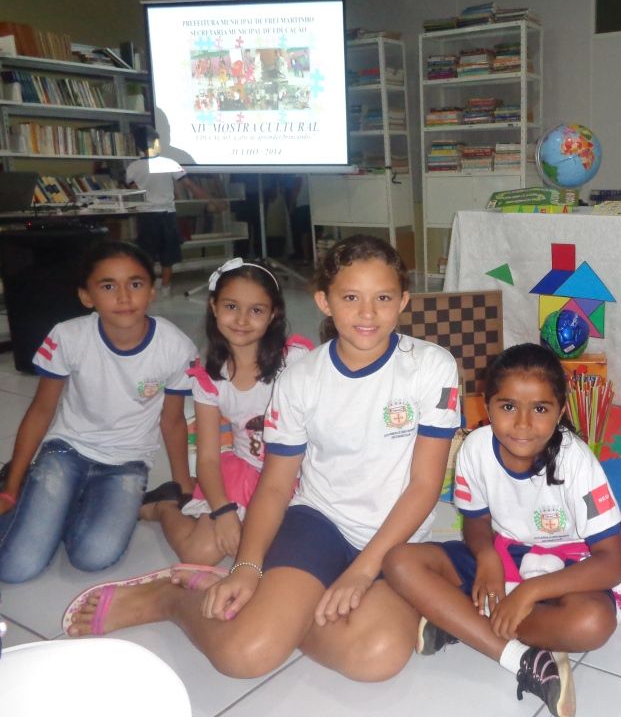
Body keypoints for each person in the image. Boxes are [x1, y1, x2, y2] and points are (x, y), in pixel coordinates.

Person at [64, 234, 461, 686]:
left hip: (396, 540)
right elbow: (274, 485)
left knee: (377, 658)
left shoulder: (432, 366)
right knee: (243, 656)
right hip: (319, 524)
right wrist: (247, 567)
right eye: (351, 297)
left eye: (383, 298)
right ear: (324, 302)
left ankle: (282, 614)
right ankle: (169, 599)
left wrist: (363, 570)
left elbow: (425, 486)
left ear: (403, 301)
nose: (367, 313)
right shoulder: (301, 378)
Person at [383, 343, 621, 717]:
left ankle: (460, 621)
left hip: (564, 570)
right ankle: (520, 655)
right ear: (486, 407)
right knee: (399, 561)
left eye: (540, 409)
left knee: (593, 624)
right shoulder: (474, 448)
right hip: (502, 556)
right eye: (507, 407)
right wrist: (486, 556)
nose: (522, 424)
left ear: (560, 412)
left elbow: (612, 564)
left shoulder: (576, 460)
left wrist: (530, 592)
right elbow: (475, 519)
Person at [0, 241, 196, 584]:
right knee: (16, 568)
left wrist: (184, 492)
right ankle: (25, 482)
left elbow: (173, 421)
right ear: (86, 296)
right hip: (66, 451)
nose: (124, 296)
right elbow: (41, 410)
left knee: (93, 556)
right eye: (108, 286)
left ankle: (57, 504)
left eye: (135, 284)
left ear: (151, 291)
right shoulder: (68, 336)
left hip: (127, 463)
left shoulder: (175, 346)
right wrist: (11, 489)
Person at [140, 257, 312, 566]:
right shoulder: (210, 379)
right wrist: (223, 511)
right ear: (214, 306)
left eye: (256, 310)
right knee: (200, 553)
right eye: (231, 306)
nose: (242, 320)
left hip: (296, 477)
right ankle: (166, 506)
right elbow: (208, 458)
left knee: (278, 555)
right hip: (244, 473)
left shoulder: (296, 361)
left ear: (273, 314)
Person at [125, 125, 206, 296]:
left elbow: (132, 191)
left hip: (146, 215)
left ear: (138, 145)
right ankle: (166, 287)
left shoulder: (132, 167)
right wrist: (210, 199)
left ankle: (149, 287)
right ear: (156, 143)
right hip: (167, 215)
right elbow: (188, 184)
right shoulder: (170, 163)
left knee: (147, 253)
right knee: (168, 253)